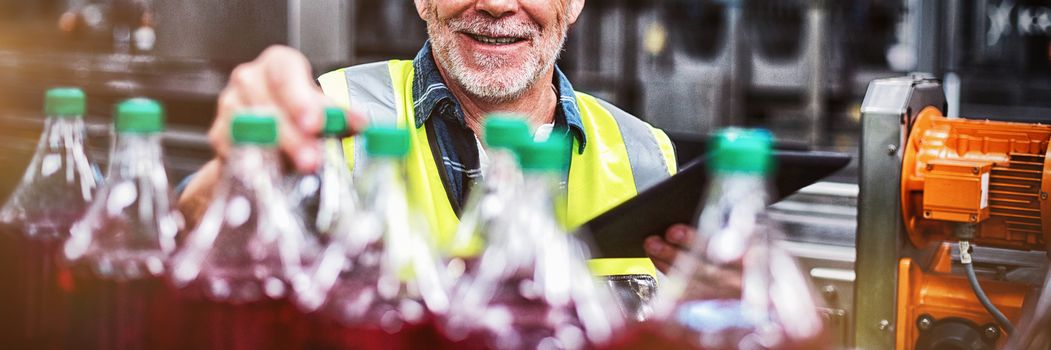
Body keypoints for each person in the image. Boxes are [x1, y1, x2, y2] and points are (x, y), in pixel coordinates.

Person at [177, 0, 694, 278]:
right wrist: (237, 173)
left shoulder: (646, 153)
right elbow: (194, 236)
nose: (494, 5)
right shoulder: (331, 111)